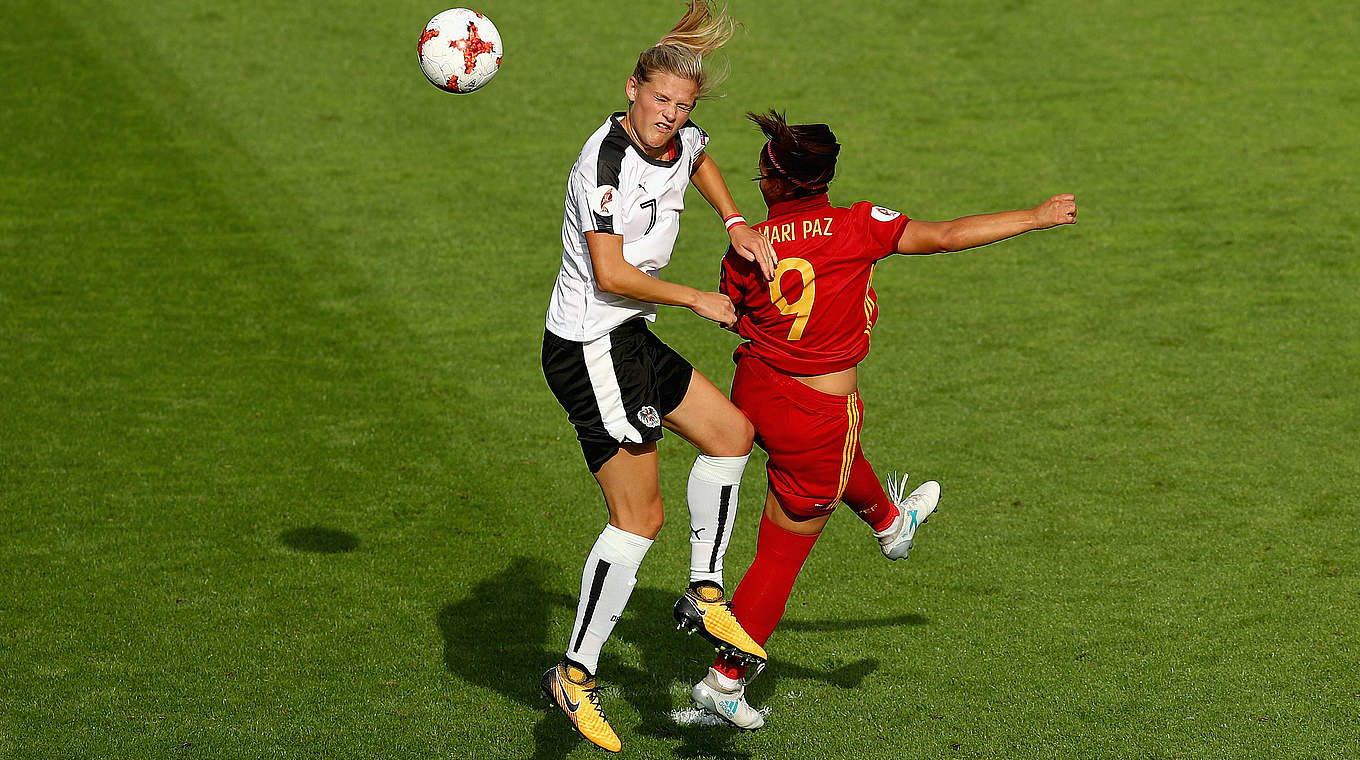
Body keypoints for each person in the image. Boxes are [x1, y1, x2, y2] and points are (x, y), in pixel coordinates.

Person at [687, 110, 1078, 729]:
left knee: (822, 470)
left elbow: (737, 313)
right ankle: (724, 682)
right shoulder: (858, 227)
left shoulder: (747, 247)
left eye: (763, 170)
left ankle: (892, 522)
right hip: (819, 411)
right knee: (780, 551)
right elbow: (947, 236)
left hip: (756, 392)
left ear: (779, 183)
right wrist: (1034, 216)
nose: (757, 178)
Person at [537, 3, 780, 753]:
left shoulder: (681, 138)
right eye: (659, 101)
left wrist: (736, 222)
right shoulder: (602, 162)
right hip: (590, 347)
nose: (669, 118)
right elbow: (610, 271)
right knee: (638, 520)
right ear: (632, 88)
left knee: (732, 432)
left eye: (681, 106)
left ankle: (704, 592)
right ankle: (575, 676)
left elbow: (700, 157)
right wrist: (696, 298)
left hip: (630, 338)